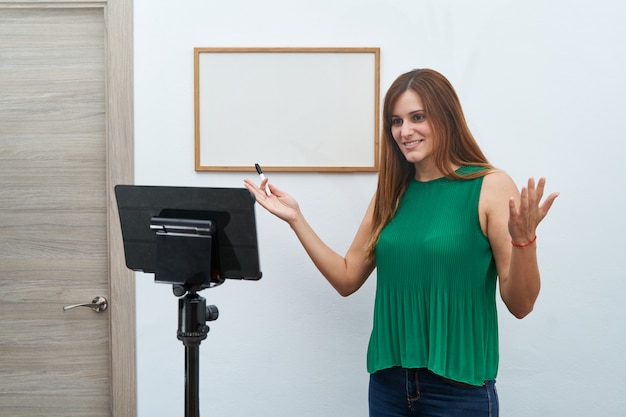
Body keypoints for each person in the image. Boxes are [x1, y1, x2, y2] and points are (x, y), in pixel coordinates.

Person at [244, 68, 559, 417]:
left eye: (417, 117)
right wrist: (296, 219)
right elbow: (347, 278)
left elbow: (521, 304)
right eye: (396, 121)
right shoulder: (392, 193)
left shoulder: (490, 186)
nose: (405, 131)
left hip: (460, 390)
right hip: (388, 385)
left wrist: (524, 241)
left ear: (446, 117)